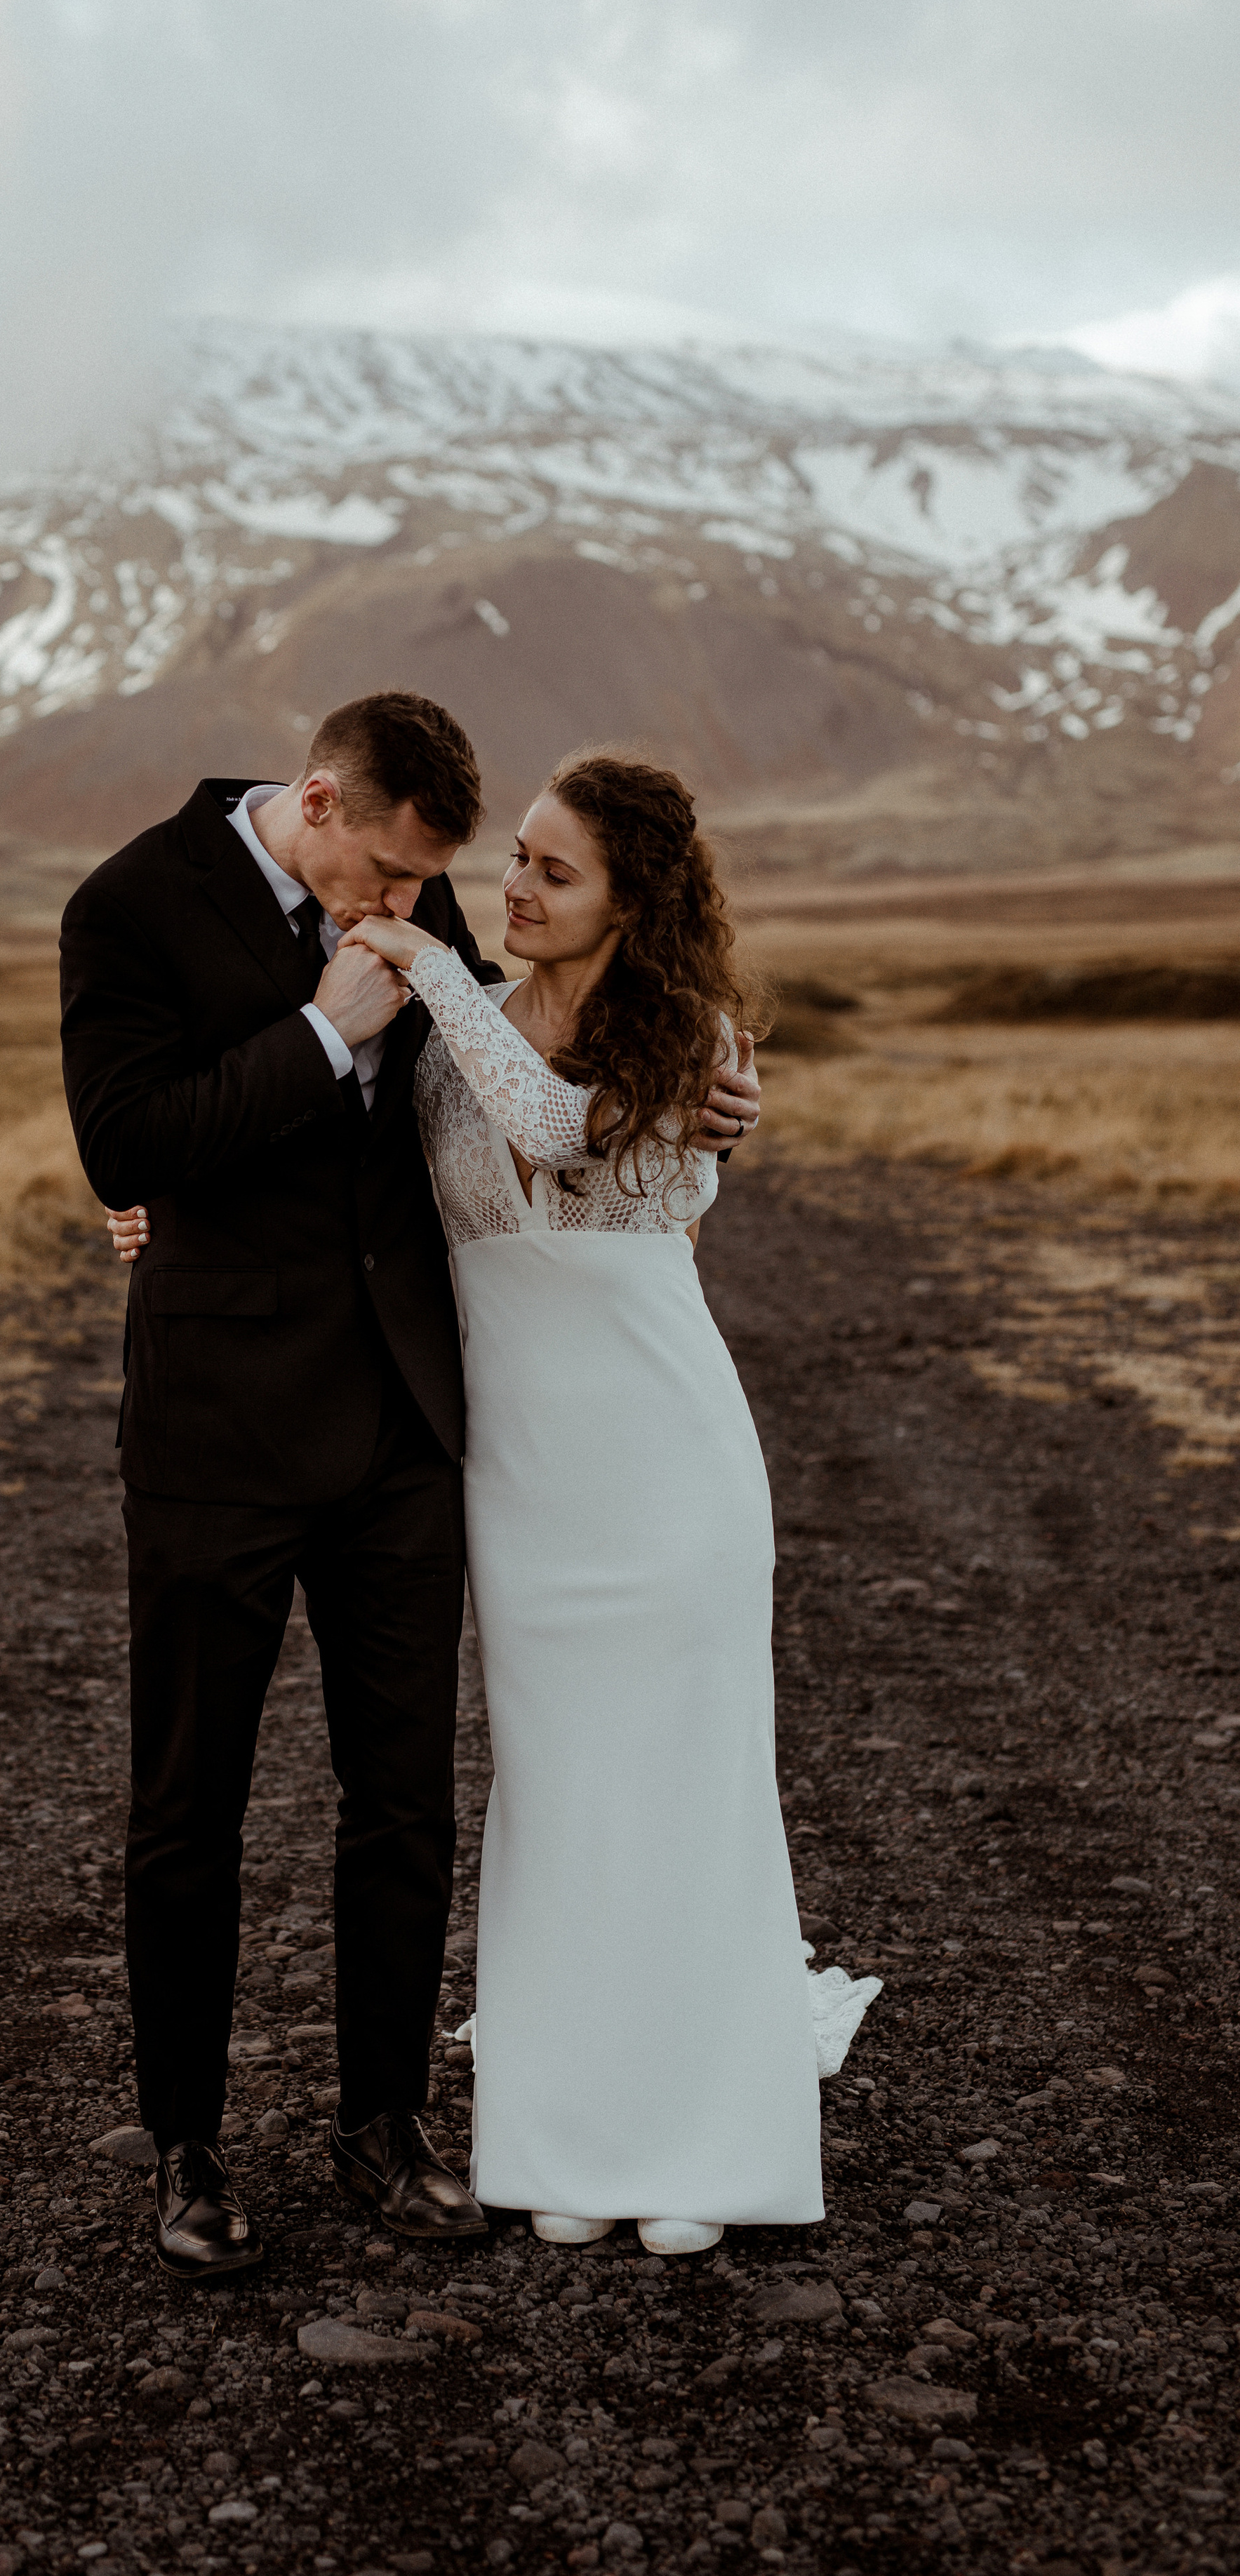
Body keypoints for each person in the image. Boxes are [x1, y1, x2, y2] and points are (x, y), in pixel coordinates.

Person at [61, 695, 760, 2280]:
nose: (403, 906)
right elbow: (125, 1138)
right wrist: (314, 1038)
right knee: (189, 1808)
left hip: (403, 1432)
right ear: (315, 804)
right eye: (382, 876)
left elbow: (512, 1106)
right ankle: (187, 2148)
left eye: (423, 885)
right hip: (217, 1441)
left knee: (404, 1804)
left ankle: (382, 2126)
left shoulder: (414, 892)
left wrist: (708, 1118)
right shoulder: (127, 903)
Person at [332, 752, 876, 2250]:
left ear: (630, 901)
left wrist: (433, 964)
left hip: (667, 1465)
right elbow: (345, 1183)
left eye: (551, 872)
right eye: (511, 858)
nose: (511, 889)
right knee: (561, 1802)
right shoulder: (448, 1041)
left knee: (684, 1792)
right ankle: (569, 2137)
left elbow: (563, 1131)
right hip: (521, 1486)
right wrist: (148, 1212)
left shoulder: (689, 1039)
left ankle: (706, 2148)